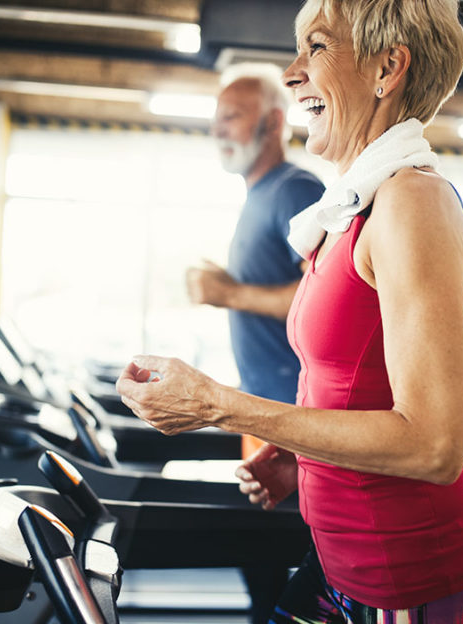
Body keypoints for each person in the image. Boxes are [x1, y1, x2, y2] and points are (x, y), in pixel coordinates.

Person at [117, 0, 463, 622]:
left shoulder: (412, 203)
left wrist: (220, 405)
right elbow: (358, 381)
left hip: (408, 579)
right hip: (337, 560)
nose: (293, 72)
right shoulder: (356, 208)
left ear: (387, 68)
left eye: (316, 48)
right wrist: (301, 456)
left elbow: (434, 444)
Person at [186, 64, 325, 624]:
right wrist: (229, 286)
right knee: (260, 565)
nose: (219, 130)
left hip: (295, 418)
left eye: (231, 118)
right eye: (215, 120)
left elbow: (327, 300)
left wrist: (231, 293)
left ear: (272, 122)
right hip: (263, 409)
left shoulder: (296, 188)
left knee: (284, 568)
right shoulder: (259, 193)